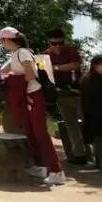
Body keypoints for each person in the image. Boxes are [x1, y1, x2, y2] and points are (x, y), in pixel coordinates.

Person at [0, 26, 66, 186]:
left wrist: (13, 80)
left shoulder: (23, 52)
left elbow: (29, 74)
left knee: (40, 132)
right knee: (30, 131)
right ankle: (41, 166)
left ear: (8, 40)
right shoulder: (16, 54)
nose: (1, 44)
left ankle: (57, 171)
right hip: (27, 95)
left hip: (33, 95)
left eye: (2, 40)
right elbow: (5, 69)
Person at [44, 29, 87, 164]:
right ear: (49, 42)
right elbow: (43, 70)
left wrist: (56, 67)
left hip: (76, 93)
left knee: (87, 122)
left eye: (60, 43)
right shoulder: (46, 54)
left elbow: (74, 65)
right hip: (61, 94)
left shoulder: (70, 50)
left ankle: (97, 153)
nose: (57, 46)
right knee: (70, 125)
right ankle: (79, 155)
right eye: (54, 43)